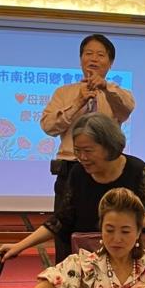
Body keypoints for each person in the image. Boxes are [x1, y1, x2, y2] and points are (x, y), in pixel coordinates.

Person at [0, 113, 145, 263]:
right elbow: (61, 220)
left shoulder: (138, 171)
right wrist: (19, 246)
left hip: (131, 260)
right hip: (87, 262)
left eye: (88, 151)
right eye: (77, 151)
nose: (82, 157)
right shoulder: (78, 173)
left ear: (109, 146)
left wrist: (126, 220)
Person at [41, 34, 135, 258]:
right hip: (70, 170)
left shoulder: (118, 93)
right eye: (88, 54)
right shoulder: (64, 93)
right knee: (64, 231)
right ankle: (65, 274)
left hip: (106, 172)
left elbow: (126, 110)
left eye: (100, 55)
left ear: (110, 63)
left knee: (105, 228)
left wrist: (106, 89)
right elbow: (48, 126)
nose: (93, 59)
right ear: (81, 59)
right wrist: (78, 103)